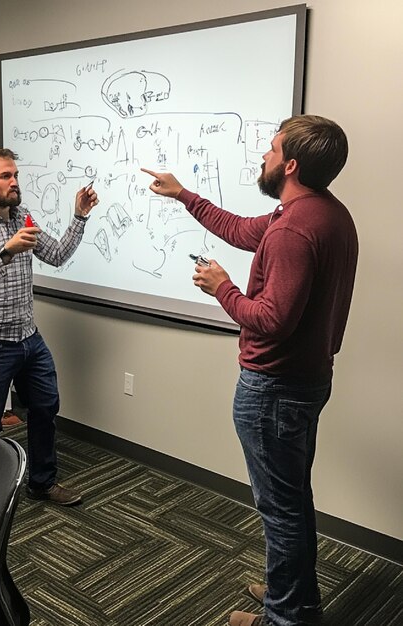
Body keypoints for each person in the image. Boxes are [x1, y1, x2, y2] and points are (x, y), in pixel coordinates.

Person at [143, 114, 358, 626]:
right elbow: (241, 230)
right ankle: (296, 599)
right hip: (305, 382)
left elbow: (271, 321)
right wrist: (185, 195)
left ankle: (282, 618)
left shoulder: (292, 231)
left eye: (271, 147)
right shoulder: (324, 213)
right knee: (293, 501)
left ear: (290, 164)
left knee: (280, 511)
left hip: (274, 391)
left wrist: (222, 287)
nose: (262, 154)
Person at [0, 148, 98, 506]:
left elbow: (57, 254)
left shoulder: (23, 218)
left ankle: (42, 483)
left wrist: (79, 216)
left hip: (29, 338)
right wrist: (5, 252)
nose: (15, 182)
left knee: (46, 406)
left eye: (16, 175)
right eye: (5, 176)